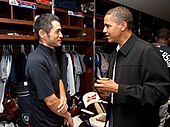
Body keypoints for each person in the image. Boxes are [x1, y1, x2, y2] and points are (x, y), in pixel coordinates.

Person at [94, 6, 170, 127]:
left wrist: (118, 89)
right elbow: (117, 90)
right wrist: (107, 94)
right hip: (116, 119)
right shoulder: (116, 52)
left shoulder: (148, 51)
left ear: (123, 26)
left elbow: (159, 94)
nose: (104, 30)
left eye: (108, 26)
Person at [25, 13, 74, 127]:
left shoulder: (52, 53)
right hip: (44, 123)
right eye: (57, 31)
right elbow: (50, 101)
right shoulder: (37, 61)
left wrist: (63, 97)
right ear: (42, 34)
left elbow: (59, 78)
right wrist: (67, 115)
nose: (61, 35)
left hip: (56, 118)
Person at [153, 28, 170, 127]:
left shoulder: (145, 49)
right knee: (160, 122)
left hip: (144, 93)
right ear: (169, 39)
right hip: (162, 93)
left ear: (155, 38)